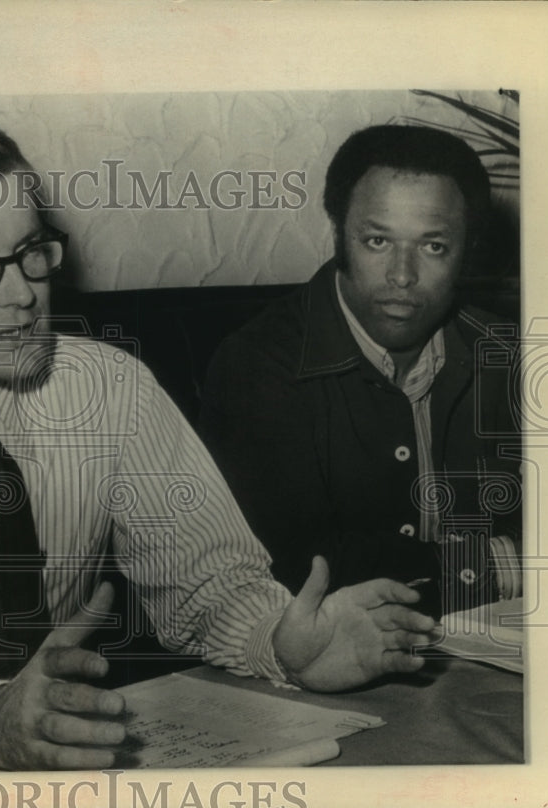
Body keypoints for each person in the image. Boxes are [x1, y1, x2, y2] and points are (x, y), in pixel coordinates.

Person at [0, 109, 437, 773]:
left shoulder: (109, 386)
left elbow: (205, 580)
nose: (24, 294)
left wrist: (279, 641)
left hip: (71, 753)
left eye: (32, 252)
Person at [199, 124, 521, 619]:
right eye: (377, 241)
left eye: (433, 246)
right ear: (338, 235)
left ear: (469, 249)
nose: (401, 275)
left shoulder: (511, 354)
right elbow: (303, 573)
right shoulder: (257, 366)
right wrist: (505, 563)